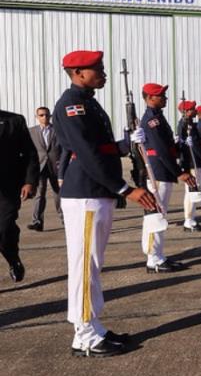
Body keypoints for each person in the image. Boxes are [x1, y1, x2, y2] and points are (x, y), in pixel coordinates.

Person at [53, 50, 157, 356]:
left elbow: (103, 147)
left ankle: (92, 325)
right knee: (85, 266)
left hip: (96, 193)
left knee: (92, 265)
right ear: (78, 72)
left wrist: (127, 143)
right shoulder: (73, 105)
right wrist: (125, 189)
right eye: (97, 68)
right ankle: (84, 336)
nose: (103, 72)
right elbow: (87, 155)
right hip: (86, 193)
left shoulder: (88, 102)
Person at [140, 83, 195, 273]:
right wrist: (179, 172)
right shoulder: (151, 120)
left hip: (163, 171)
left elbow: (168, 146)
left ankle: (158, 255)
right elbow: (162, 151)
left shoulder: (158, 117)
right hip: (158, 172)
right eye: (160, 95)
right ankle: (153, 259)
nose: (164, 98)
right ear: (149, 98)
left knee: (161, 215)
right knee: (156, 216)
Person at [0, 108, 38, 282]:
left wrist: (29, 181)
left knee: (4, 228)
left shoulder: (14, 121)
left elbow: (30, 153)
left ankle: (12, 257)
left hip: (7, 189)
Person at [176, 100, 201, 232]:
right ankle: (189, 221)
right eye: (192, 109)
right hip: (190, 161)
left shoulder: (190, 124)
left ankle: (191, 219)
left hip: (194, 161)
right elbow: (191, 144)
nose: (195, 111)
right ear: (186, 111)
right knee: (191, 191)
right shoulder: (183, 124)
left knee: (193, 191)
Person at [27, 106, 62, 232]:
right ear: (37, 117)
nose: (45, 117)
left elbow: (64, 148)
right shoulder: (31, 132)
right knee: (39, 194)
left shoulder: (58, 130)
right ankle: (37, 221)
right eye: (41, 115)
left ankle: (64, 218)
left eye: (47, 115)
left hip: (55, 166)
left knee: (58, 193)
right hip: (39, 166)